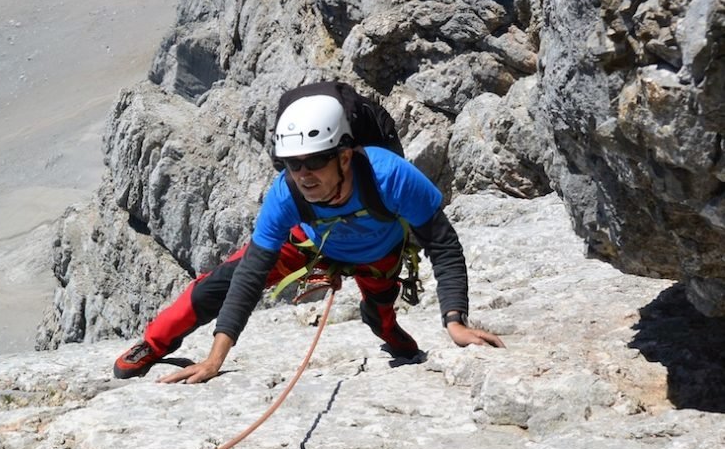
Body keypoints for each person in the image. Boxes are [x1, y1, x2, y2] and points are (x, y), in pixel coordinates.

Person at [113, 89, 505, 383]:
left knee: (383, 314)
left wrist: (455, 321)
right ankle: (156, 342)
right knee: (220, 282)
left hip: (379, 252)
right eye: (292, 164)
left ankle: (382, 323)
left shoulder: (390, 176)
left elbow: (442, 243)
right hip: (311, 243)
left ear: (345, 156)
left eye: (316, 160)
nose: (304, 175)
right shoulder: (286, 193)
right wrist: (215, 358)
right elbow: (251, 275)